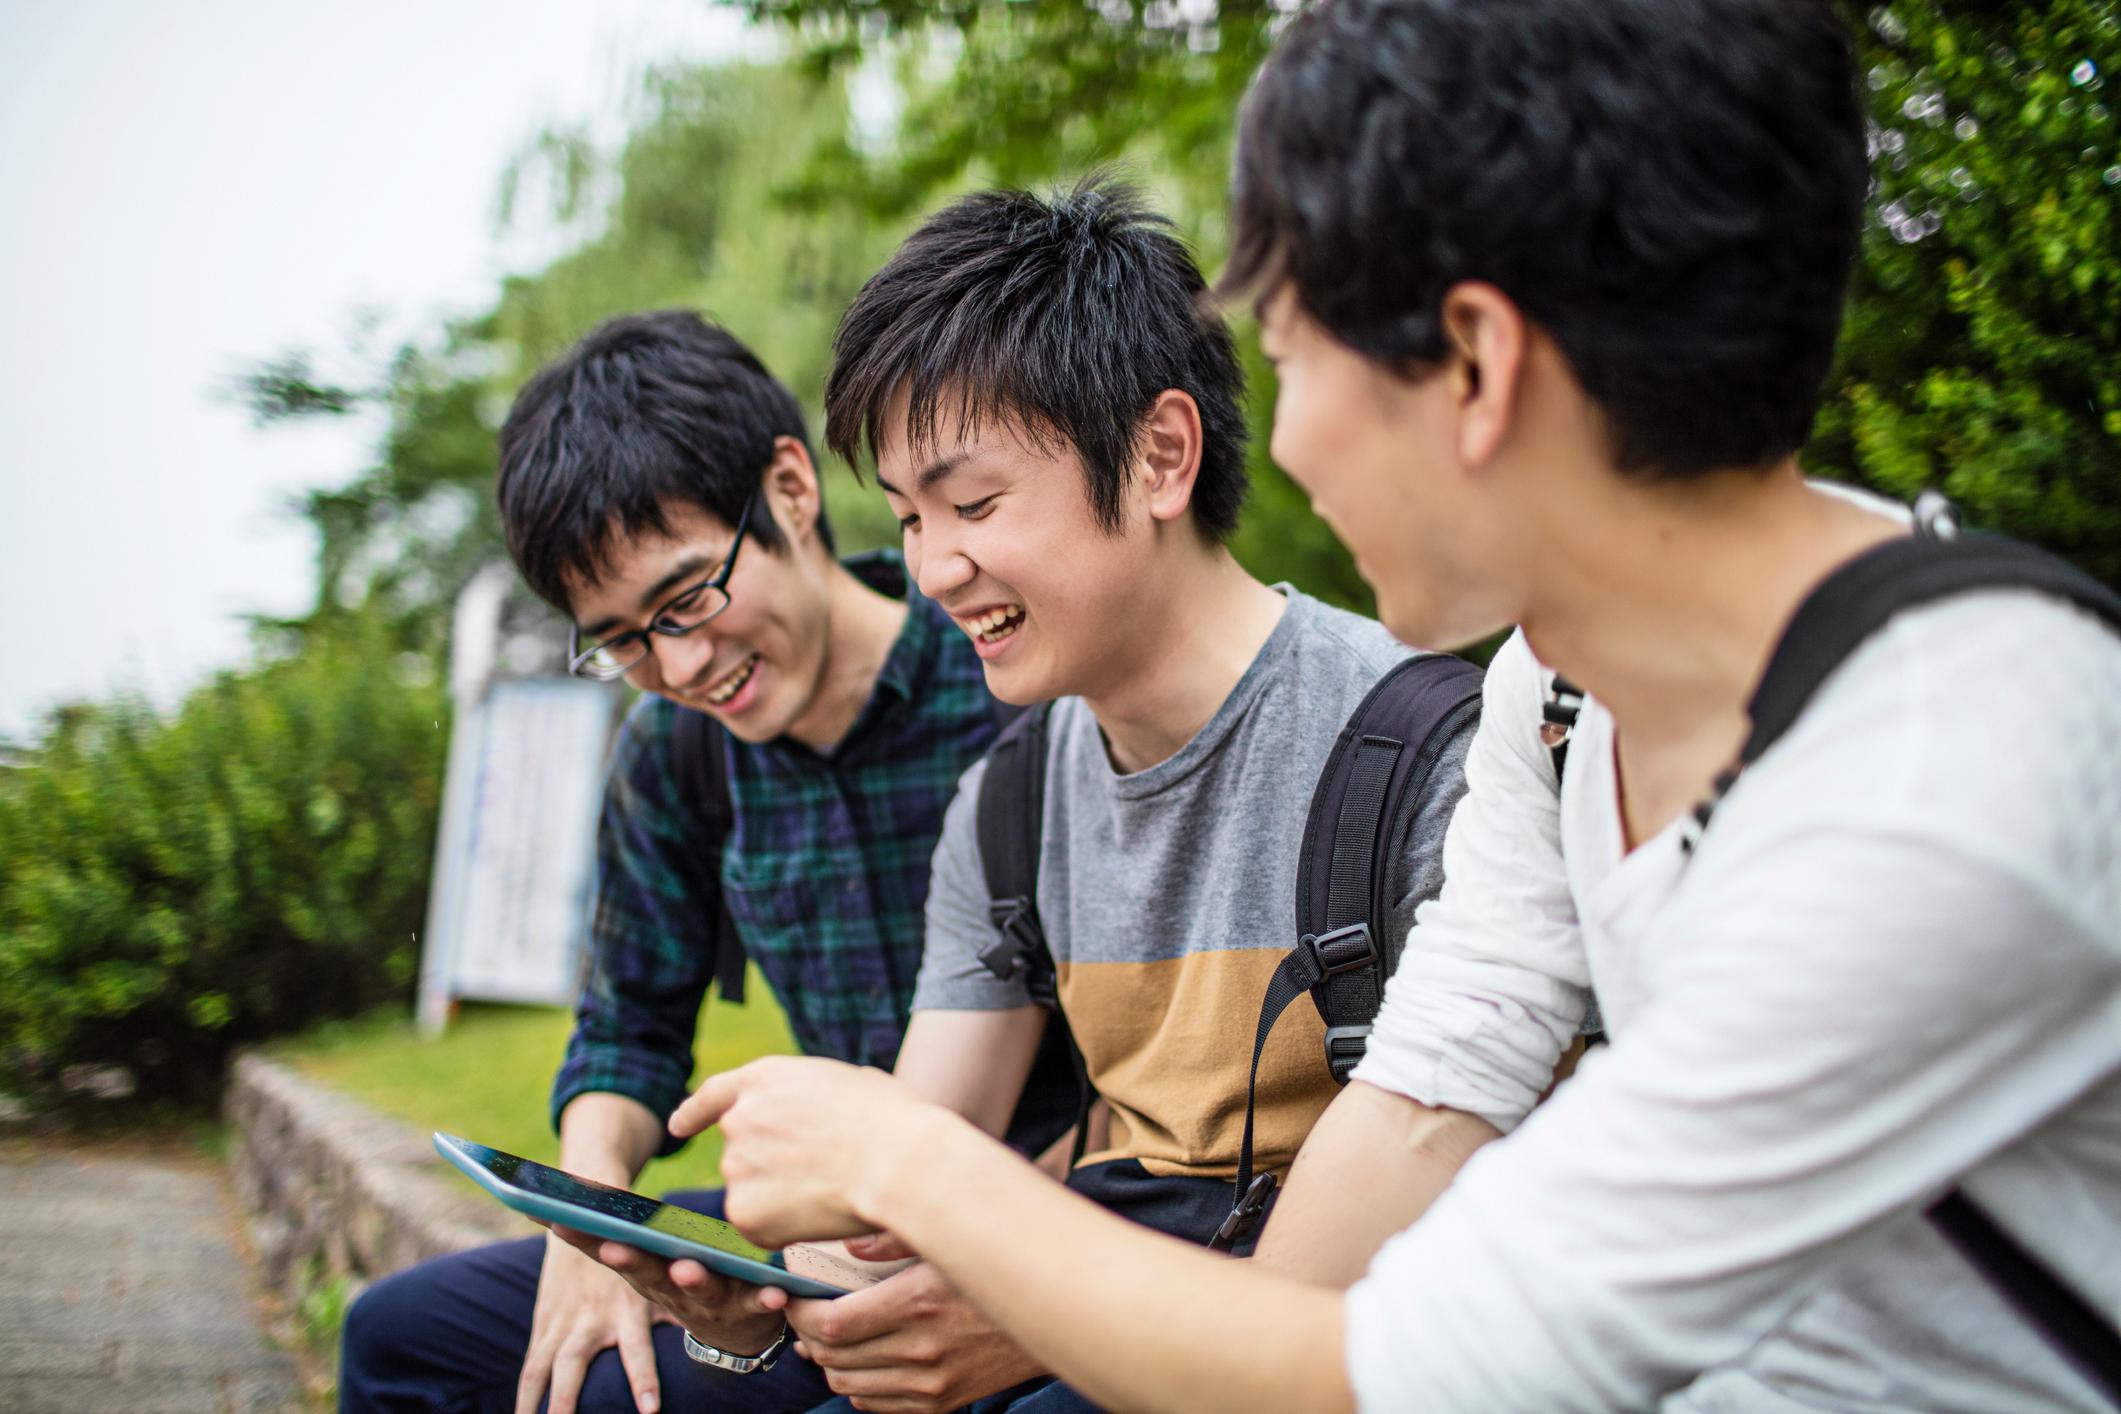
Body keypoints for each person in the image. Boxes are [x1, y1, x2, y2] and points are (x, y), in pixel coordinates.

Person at [560, 2, 2121, 1410]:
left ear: (1474, 362)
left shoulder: (1933, 792)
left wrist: (912, 1165)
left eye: (1295, 359)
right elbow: (1407, 1130)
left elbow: (1384, 1374)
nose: (1286, 447)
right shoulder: (1552, 700)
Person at [559, 178, 1475, 1413]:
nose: (933, 568)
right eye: (907, 516)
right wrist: (773, 1291)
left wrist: (1030, 1314)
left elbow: (1481, 1237)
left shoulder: (1425, 757)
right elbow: (923, 1167)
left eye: (974, 504)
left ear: (1159, 456)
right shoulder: (1008, 803)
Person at [339, 311, 1072, 1414]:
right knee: (403, 1341)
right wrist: (591, 1228)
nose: (682, 663)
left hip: (1064, 1209)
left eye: (689, 598)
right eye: (625, 639)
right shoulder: (676, 755)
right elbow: (628, 1028)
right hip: (829, 1226)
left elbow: (1162, 1090)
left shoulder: (1014, 684)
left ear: (790, 489)